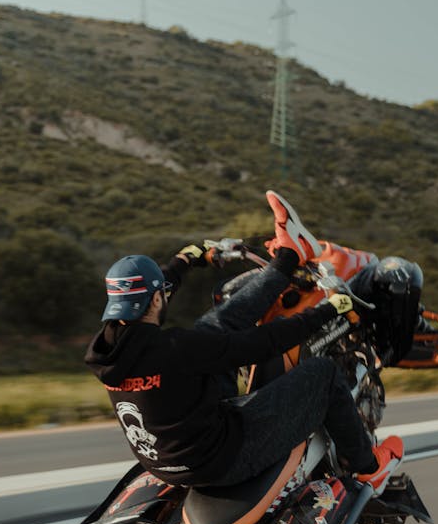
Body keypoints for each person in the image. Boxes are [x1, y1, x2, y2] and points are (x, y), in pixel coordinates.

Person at [85, 192, 403, 494]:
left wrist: (185, 261)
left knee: (213, 326)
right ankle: (368, 467)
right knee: (324, 373)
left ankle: (289, 258)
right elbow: (263, 343)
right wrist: (328, 312)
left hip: (166, 461)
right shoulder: (178, 349)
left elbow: (151, 294)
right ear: (156, 299)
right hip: (222, 460)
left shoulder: (107, 349)